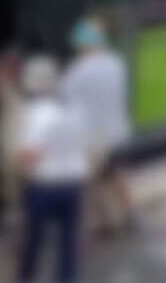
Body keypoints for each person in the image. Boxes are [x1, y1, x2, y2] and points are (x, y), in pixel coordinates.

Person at [16, 55, 91, 283]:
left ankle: (26, 277)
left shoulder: (38, 113)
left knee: (35, 240)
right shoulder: (74, 109)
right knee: (67, 242)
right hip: (73, 185)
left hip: (45, 188)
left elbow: (30, 153)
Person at [60, 17, 135, 234]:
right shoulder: (116, 63)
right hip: (118, 132)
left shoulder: (77, 70)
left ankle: (93, 224)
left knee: (86, 183)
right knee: (117, 175)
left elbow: (65, 100)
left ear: (84, 45)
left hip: (92, 138)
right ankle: (129, 214)